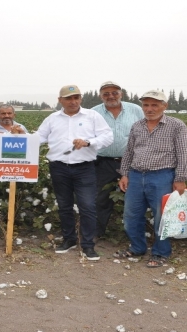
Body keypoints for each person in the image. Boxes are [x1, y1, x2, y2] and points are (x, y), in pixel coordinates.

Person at [36, 85, 113, 261]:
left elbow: (108, 137)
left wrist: (88, 142)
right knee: (64, 206)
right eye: (69, 98)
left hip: (84, 168)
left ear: (81, 98)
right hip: (59, 167)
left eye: (76, 97)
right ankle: (69, 239)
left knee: (87, 206)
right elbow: (39, 138)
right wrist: (20, 136)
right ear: (60, 100)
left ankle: (87, 245)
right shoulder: (52, 118)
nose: (73, 101)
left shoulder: (92, 116)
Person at [117, 90, 187, 268]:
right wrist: (124, 174)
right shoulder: (137, 126)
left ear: (164, 106)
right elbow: (129, 152)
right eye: (146, 105)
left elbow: (184, 153)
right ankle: (137, 248)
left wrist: (180, 178)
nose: (149, 109)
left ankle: (161, 252)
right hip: (135, 176)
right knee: (131, 216)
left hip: (162, 176)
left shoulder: (176, 125)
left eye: (154, 105)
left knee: (162, 217)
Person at [91, 81, 144, 238]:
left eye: (114, 92)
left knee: (135, 198)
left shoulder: (135, 110)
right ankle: (97, 233)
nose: (111, 96)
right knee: (100, 198)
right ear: (100, 96)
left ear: (121, 94)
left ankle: (133, 235)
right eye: (106, 93)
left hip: (131, 162)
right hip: (102, 162)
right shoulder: (93, 113)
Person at [0, 104, 27, 171]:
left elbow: (28, 148)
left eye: (9, 113)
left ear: (14, 115)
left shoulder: (21, 128)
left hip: (17, 167)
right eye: (3, 113)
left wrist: (22, 135)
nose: (6, 116)